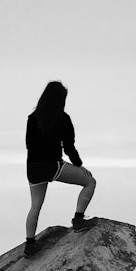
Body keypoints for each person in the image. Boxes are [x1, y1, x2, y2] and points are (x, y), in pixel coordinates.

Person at [23, 80, 97, 258]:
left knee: (35, 206)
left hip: (32, 168)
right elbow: (69, 147)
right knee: (90, 182)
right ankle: (78, 220)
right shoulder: (63, 118)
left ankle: (30, 244)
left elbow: (29, 145)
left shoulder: (32, 118)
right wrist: (78, 165)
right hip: (52, 165)